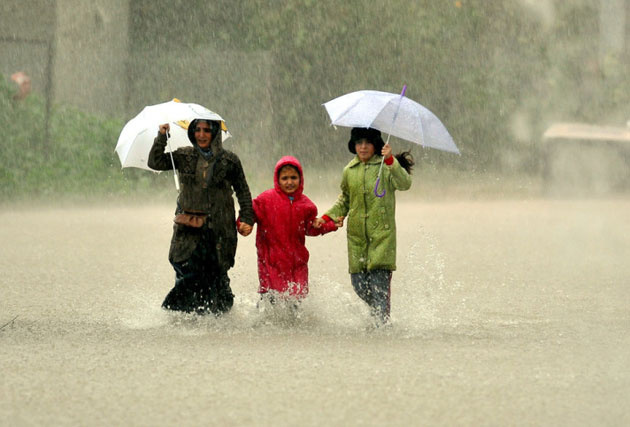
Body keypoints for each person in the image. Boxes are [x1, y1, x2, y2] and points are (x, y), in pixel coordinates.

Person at [148, 119, 254, 315]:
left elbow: (243, 191)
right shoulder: (183, 155)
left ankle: (221, 322)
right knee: (188, 276)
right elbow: (155, 162)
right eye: (197, 130)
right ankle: (179, 321)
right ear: (192, 132)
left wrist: (247, 218)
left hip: (219, 232)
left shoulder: (230, 161)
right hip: (189, 233)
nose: (202, 135)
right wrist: (162, 137)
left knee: (218, 278)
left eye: (207, 130)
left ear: (215, 132)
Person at [314, 127, 414, 325]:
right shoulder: (349, 171)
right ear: (354, 146)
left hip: (382, 239)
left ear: (376, 145)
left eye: (368, 143)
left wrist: (391, 161)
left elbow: (405, 183)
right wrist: (327, 217)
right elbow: (345, 200)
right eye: (359, 143)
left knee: (379, 287)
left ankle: (381, 328)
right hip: (357, 239)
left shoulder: (386, 167)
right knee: (359, 285)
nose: (363, 147)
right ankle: (380, 317)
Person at [238, 156, 339, 307]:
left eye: (293, 177)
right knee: (269, 305)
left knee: (296, 305)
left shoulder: (307, 206)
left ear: (301, 179)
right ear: (277, 180)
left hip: (298, 265)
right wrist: (242, 224)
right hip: (270, 264)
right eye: (284, 178)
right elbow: (247, 215)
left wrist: (331, 224)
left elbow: (311, 228)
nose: (289, 182)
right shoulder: (265, 200)